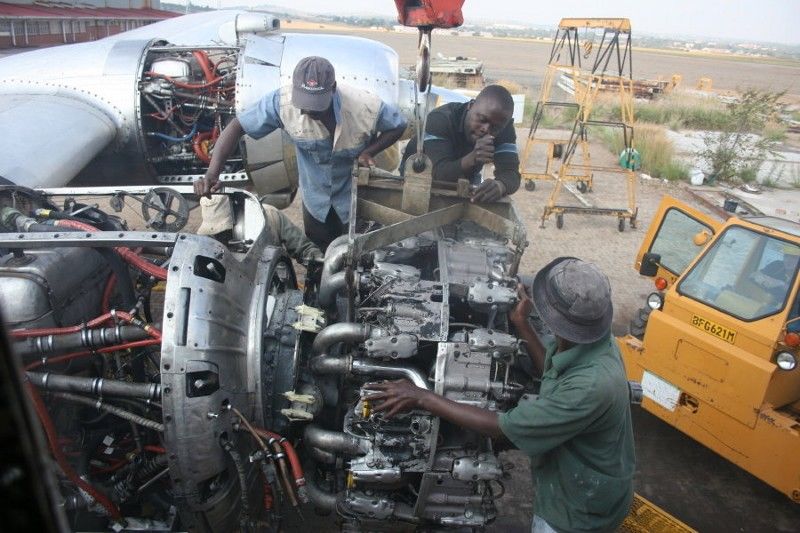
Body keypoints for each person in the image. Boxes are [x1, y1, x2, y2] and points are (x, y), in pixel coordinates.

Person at [368, 257, 635, 532]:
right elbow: (553, 374)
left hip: (579, 508)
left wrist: (422, 397)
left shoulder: (591, 385)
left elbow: (502, 428)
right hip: (578, 477)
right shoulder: (593, 341)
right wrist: (521, 322)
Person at [194, 56, 407, 251]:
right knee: (320, 255)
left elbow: (398, 125)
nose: (308, 111)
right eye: (304, 103)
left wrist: (369, 151)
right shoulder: (281, 103)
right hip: (316, 201)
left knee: (360, 254)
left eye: (316, 104)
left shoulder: (365, 107)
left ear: (333, 88)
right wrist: (212, 174)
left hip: (355, 197)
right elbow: (236, 126)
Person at [401, 84, 520, 203]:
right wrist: (472, 158)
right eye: (482, 120)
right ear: (471, 105)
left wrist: (500, 185)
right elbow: (438, 176)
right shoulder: (440, 119)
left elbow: (512, 174)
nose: (486, 129)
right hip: (417, 174)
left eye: (495, 127)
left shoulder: (503, 128)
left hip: (464, 176)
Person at [196, 194, 323, 264]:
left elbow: (305, 249)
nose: (221, 236)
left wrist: (320, 268)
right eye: (216, 233)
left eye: (224, 231)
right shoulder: (204, 242)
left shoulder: (270, 216)